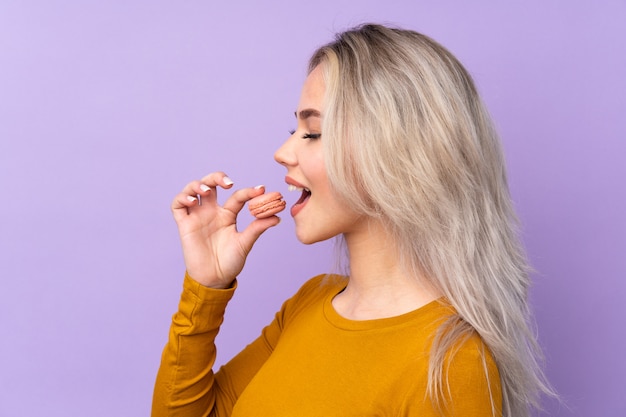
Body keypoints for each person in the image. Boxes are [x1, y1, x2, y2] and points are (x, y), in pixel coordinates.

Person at [152, 24, 553, 417]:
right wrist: (206, 286)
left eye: (312, 133)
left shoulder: (452, 362)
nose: (282, 151)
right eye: (295, 129)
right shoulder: (309, 302)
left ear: (395, 152)